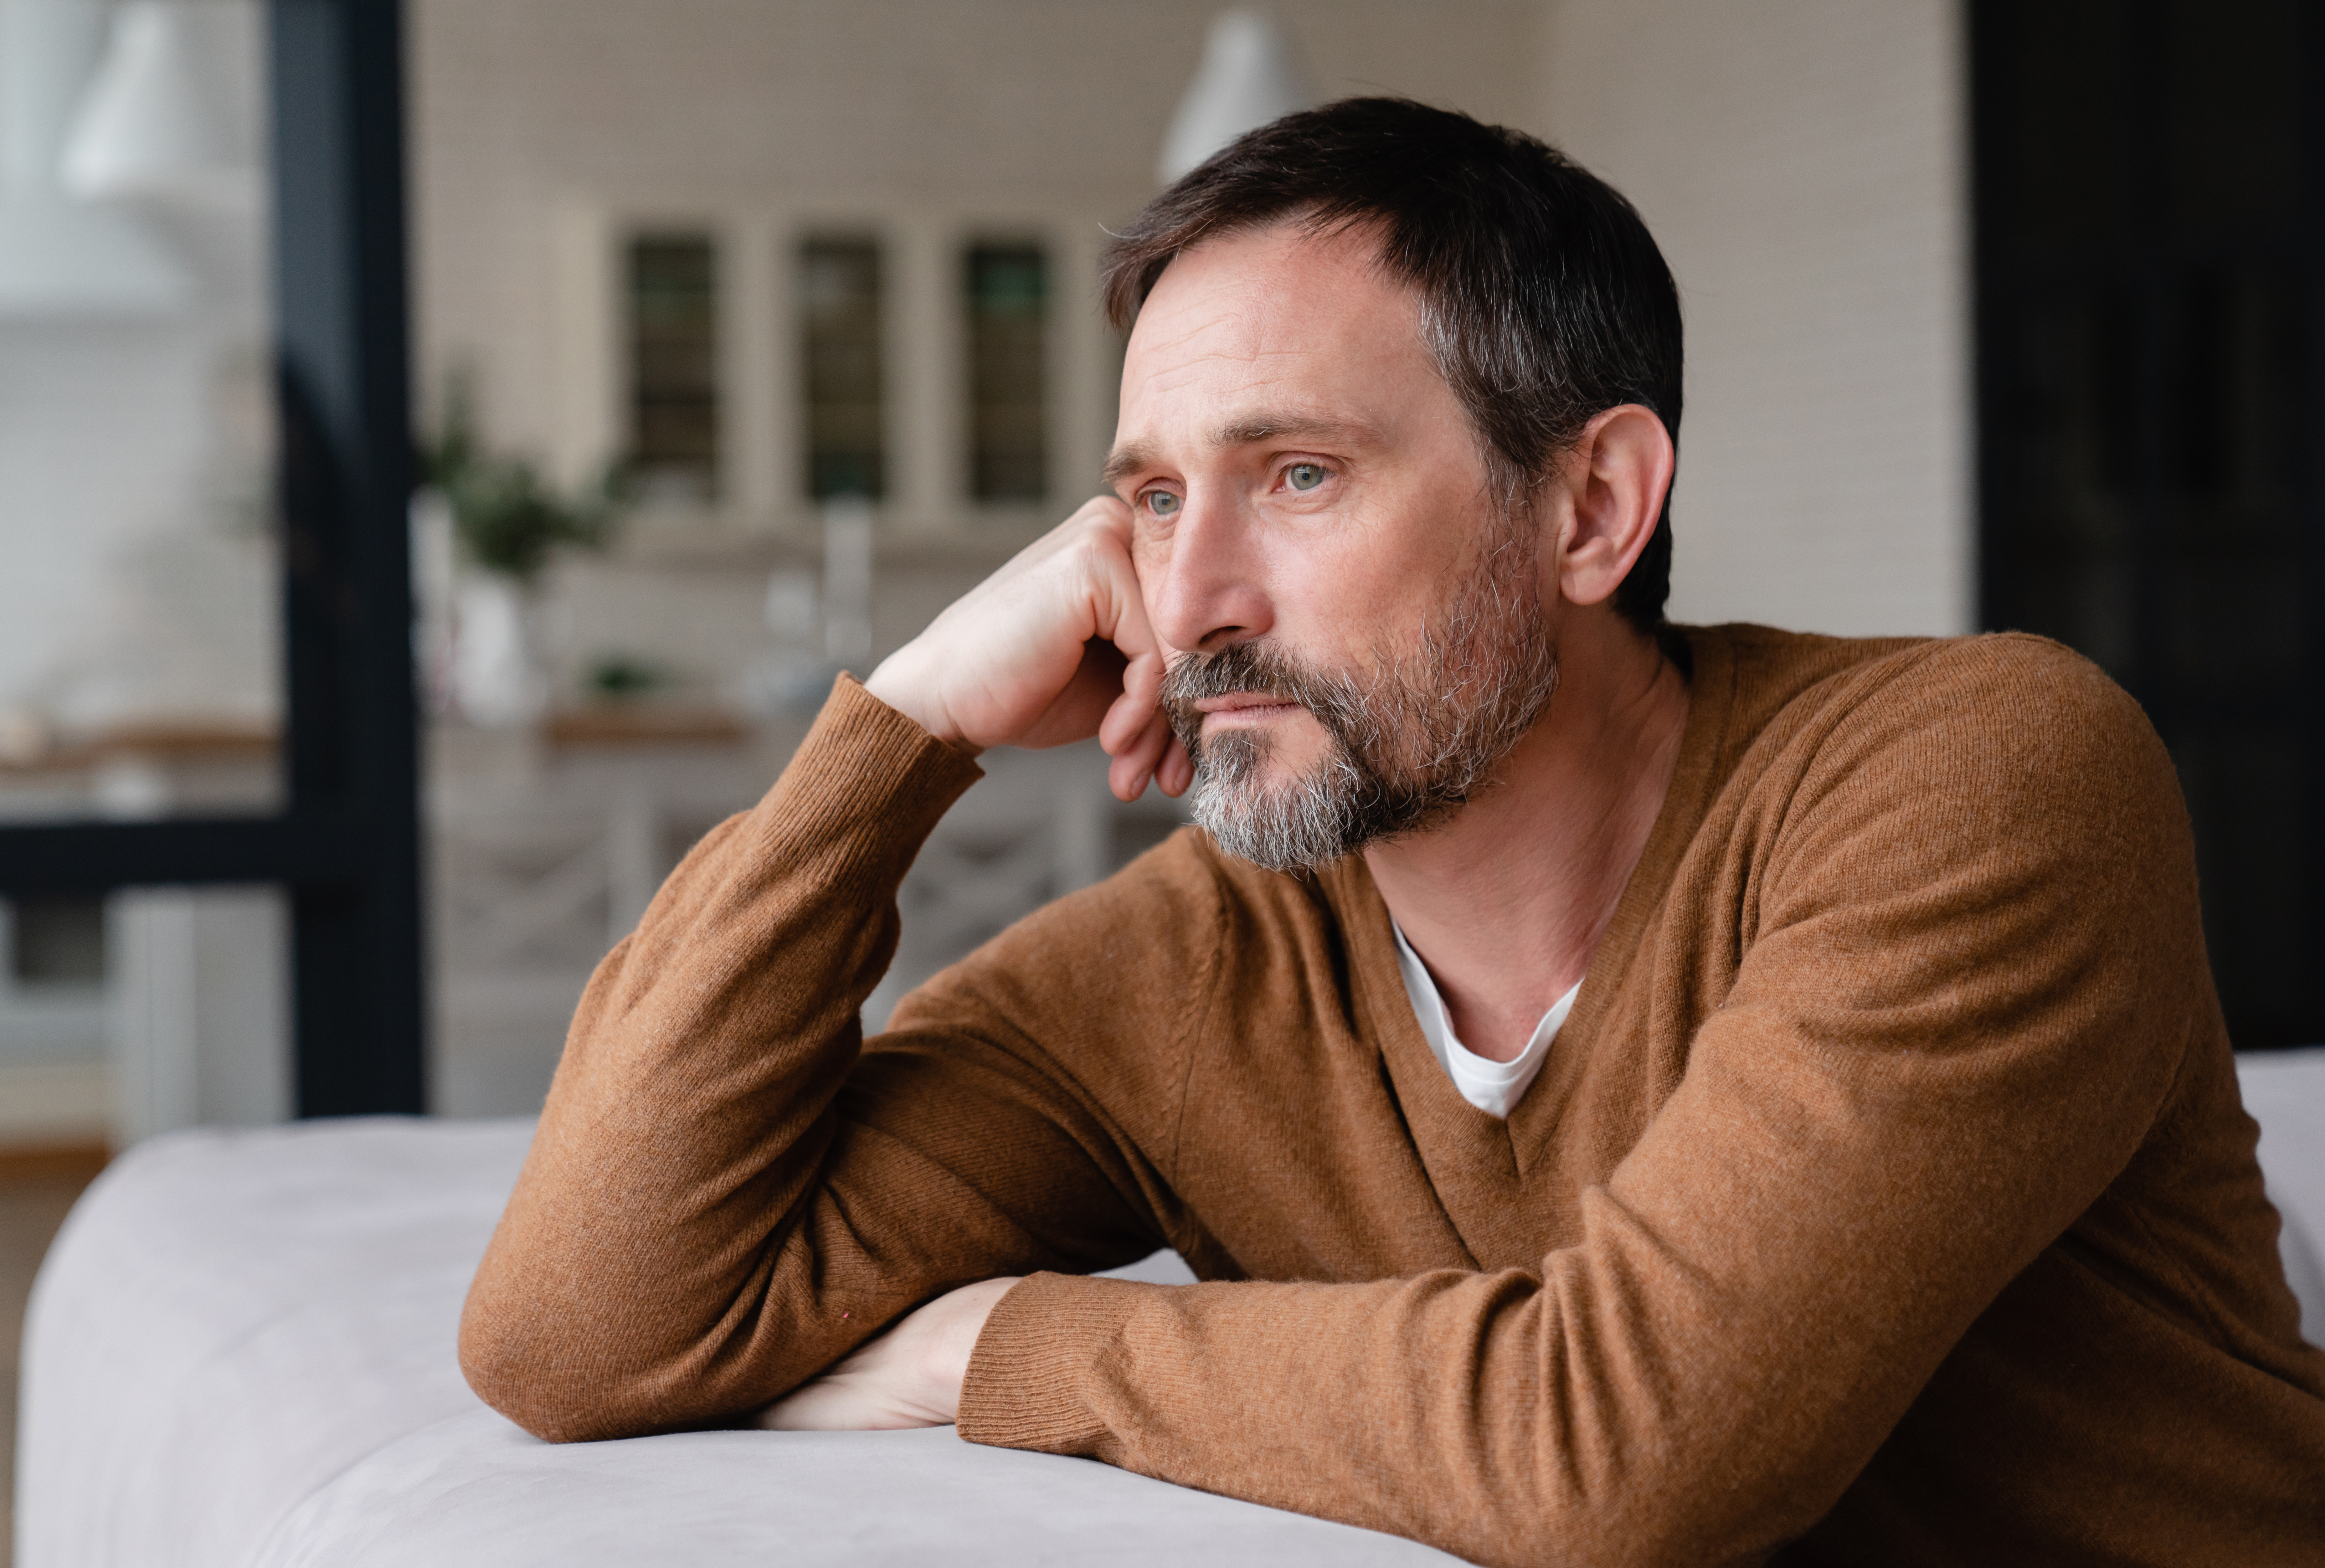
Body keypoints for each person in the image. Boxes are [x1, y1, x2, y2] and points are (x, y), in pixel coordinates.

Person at [460, 99, 2325, 1563]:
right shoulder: (1193, 961)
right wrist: (904, 729)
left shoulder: (1974, 772)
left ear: (1591, 505)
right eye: (1145, 499)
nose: (1185, 599)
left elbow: (1622, 1455)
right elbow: (576, 1337)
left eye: (1295, 476)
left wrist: (994, 1349)